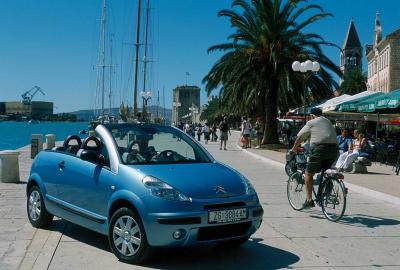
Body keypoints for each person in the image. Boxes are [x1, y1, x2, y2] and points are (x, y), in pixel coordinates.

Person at [291, 108, 339, 208]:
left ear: (312, 115)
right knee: (326, 171)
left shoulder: (311, 122)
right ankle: (327, 193)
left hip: (320, 150)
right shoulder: (328, 121)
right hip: (334, 150)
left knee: (308, 174)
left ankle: (309, 200)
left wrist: (294, 149)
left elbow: (300, 137)